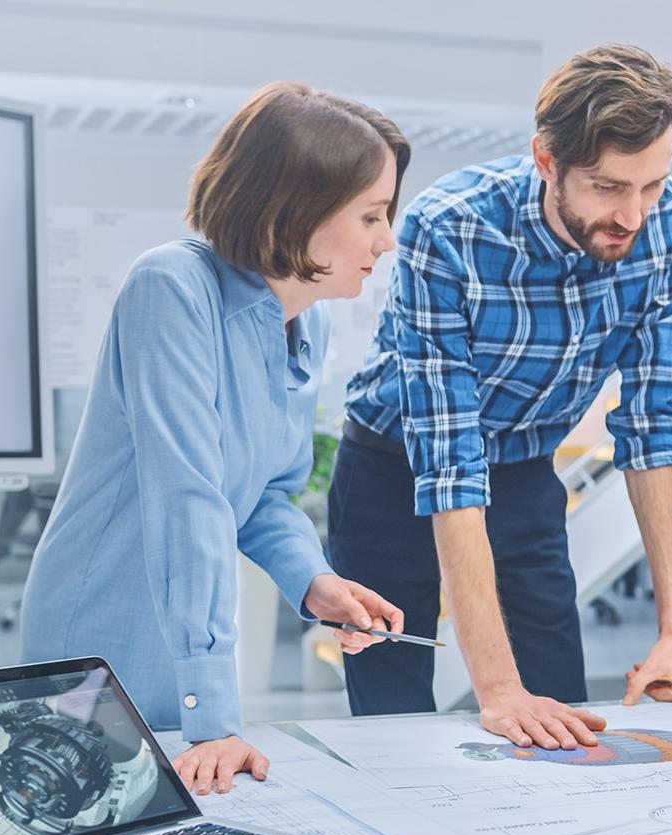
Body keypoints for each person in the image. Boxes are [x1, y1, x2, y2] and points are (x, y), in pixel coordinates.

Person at [20, 82, 410, 794]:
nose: (387, 239)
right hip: (100, 632)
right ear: (299, 210)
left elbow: (263, 495)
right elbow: (190, 499)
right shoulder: (171, 288)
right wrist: (214, 713)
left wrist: (313, 581)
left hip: (185, 627)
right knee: (83, 817)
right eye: (372, 215)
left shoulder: (306, 321)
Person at [328, 44, 672, 752]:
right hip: (393, 466)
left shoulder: (665, 223)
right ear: (546, 160)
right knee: (393, 710)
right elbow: (449, 458)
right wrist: (496, 690)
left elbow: (651, 423)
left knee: (560, 700)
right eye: (606, 186)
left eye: (651, 184)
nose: (633, 214)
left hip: (524, 469)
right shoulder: (450, 227)